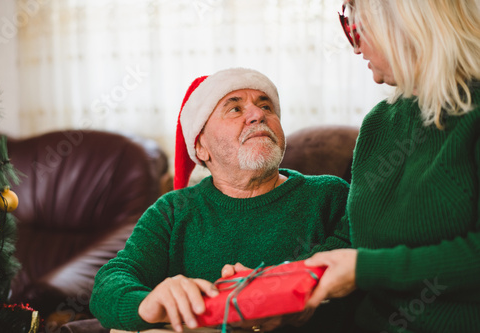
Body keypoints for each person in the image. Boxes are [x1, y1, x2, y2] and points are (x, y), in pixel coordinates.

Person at [90, 68, 353, 332]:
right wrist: (146, 304)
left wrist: (266, 291)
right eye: (235, 109)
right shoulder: (171, 210)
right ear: (201, 146)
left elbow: (347, 268)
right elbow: (109, 284)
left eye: (266, 106)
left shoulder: (330, 195)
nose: (258, 114)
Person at [304, 1, 480, 332]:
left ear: (405, 27)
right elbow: (354, 233)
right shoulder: (379, 122)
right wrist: (288, 280)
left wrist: (365, 269)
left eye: (359, 31)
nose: (355, 49)